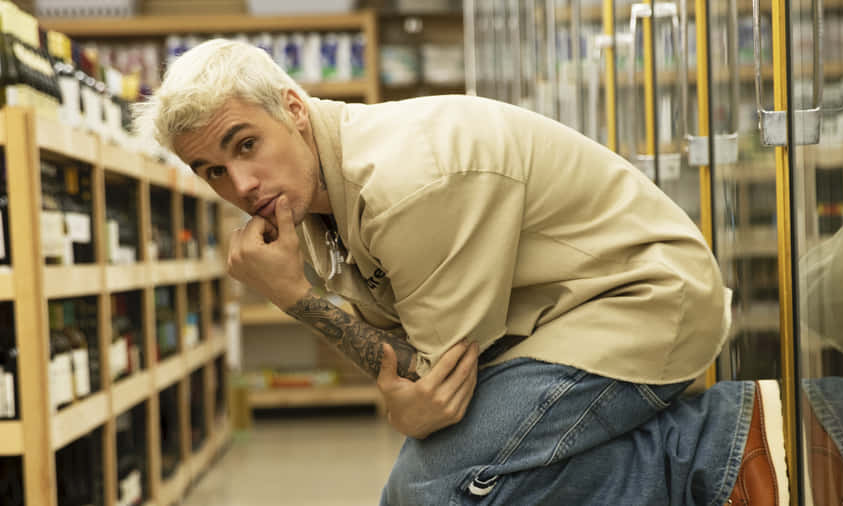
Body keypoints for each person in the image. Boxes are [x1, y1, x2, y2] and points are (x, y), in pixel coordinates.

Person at [135, 39, 789, 505]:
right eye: (211, 170)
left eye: (244, 144)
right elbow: (413, 367)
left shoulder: (403, 179)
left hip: (639, 306)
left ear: (294, 110)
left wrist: (297, 299)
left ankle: (718, 442)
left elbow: (438, 390)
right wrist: (405, 391)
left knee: (433, 492)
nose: (240, 184)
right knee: (464, 482)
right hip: (545, 329)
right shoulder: (308, 201)